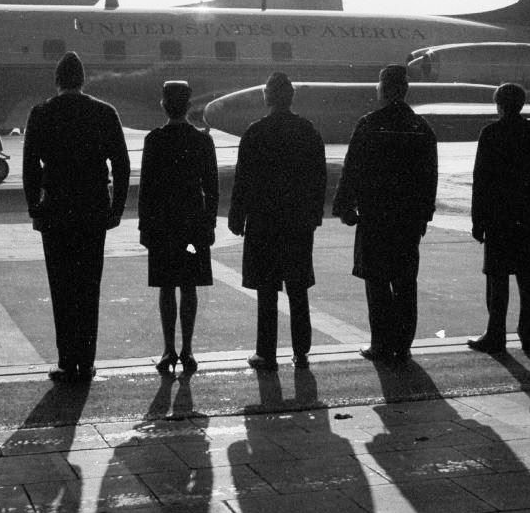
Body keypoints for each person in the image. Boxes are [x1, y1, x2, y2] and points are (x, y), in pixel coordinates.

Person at [22, 52, 130, 382]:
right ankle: (87, 359)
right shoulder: (104, 112)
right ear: (83, 80)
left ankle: (67, 360)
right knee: (89, 287)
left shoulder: (40, 114)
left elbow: (29, 168)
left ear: (57, 81)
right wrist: (116, 209)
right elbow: (122, 165)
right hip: (93, 210)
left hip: (56, 211)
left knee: (62, 288)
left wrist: (34, 208)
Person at [332, 64, 437, 364]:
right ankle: (403, 345)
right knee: (405, 283)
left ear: (383, 88)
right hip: (407, 220)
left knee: (377, 282)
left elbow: (351, 169)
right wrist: (424, 216)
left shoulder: (369, 124)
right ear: (404, 90)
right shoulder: (421, 128)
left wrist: (344, 207)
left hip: (375, 218)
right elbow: (430, 177)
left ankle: (380, 343)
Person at [228, 72, 327, 370]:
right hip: (298, 221)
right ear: (292, 97)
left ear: (267, 98)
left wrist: (237, 217)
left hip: (264, 222)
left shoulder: (255, 132)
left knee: (267, 289)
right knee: (298, 288)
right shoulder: (308, 130)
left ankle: (266, 352)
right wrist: (314, 215)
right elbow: (319, 178)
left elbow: (242, 179)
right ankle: (301, 350)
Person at [138, 80, 218, 375]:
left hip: (162, 223)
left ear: (163, 105)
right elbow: (211, 188)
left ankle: (168, 349)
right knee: (189, 286)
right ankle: (188, 350)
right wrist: (209, 224)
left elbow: (146, 189)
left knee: (166, 286)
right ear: (189, 105)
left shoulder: (154, 139)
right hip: (193, 222)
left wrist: (145, 228)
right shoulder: (202, 140)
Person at [467, 82, 530, 353]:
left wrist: (478, 221)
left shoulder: (491, 133)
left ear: (499, 105)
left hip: (498, 217)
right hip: (527, 218)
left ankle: (495, 335)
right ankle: (529, 335)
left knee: (497, 278)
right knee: (527, 278)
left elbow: (481, 180)